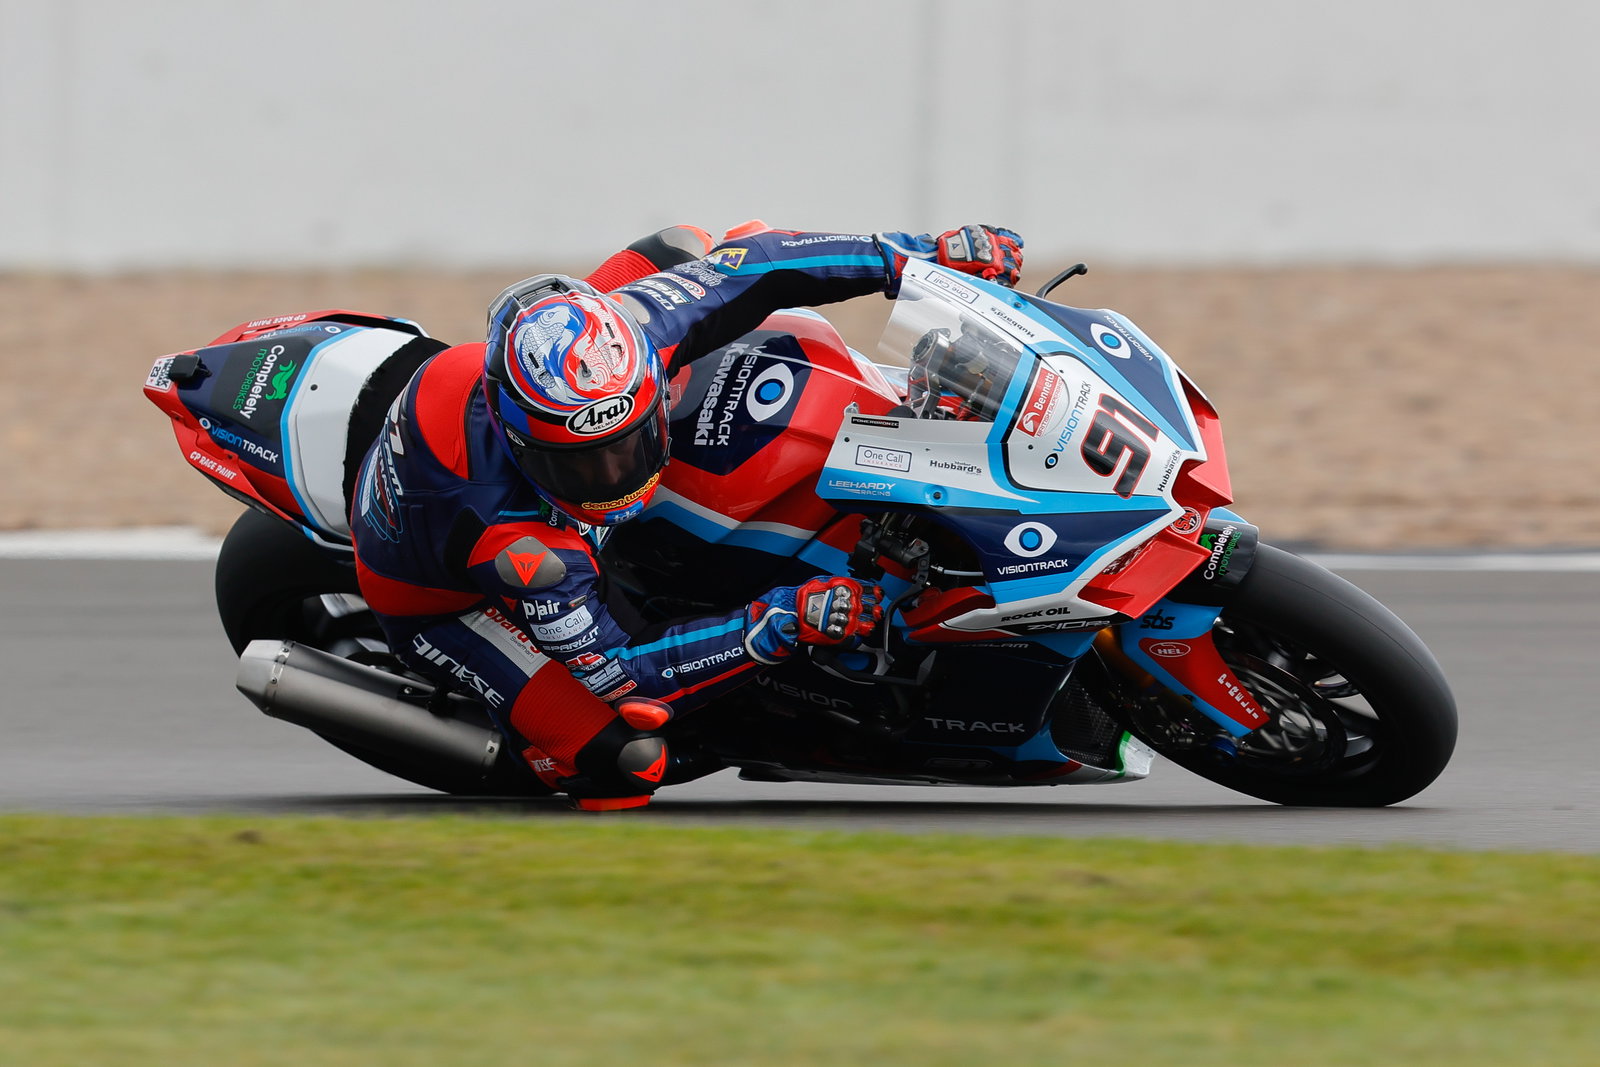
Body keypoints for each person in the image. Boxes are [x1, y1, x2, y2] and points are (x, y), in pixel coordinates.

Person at [348, 222, 1024, 809]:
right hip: (442, 602)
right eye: (584, 465)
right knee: (626, 761)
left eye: (628, 444)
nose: (615, 476)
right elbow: (623, 669)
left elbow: (765, 261)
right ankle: (530, 751)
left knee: (686, 246)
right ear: (522, 442)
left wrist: (917, 255)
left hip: (497, 405)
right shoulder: (519, 544)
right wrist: (782, 620)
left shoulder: (632, 335)